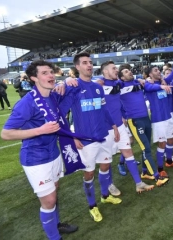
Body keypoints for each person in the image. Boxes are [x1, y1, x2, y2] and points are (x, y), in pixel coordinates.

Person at [1, 60, 78, 240]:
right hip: (35, 158)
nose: (50, 75)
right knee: (49, 200)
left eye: (51, 72)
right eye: (44, 73)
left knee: (55, 192)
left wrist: (66, 82)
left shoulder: (52, 96)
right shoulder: (27, 103)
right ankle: (54, 237)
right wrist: (40, 130)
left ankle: (57, 224)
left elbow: (71, 92)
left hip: (54, 153)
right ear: (34, 78)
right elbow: (6, 134)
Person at [58, 52, 122, 223]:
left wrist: (114, 126)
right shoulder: (72, 87)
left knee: (106, 165)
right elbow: (61, 114)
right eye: (85, 62)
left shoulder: (97, 87)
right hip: (85, 140)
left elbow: (104, 109)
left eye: (90, 62)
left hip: (103, 135)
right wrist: (71, 136)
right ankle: (92, 206)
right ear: (77, 67)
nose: (89, 65)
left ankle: (105, 195)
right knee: (88, 173)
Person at [97, 61, 154, 193]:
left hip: (120, 125)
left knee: (128, 152)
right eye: (113, 68)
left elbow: (129, 83)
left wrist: (140, 80)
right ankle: (109, 185)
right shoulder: (99, 85)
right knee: (107, 160)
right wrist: (67, 81)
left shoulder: (118, 83)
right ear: (105, 71)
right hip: (106, 128)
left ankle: (139, 183)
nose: (116, 70)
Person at [118, 64, 169, 187]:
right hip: (135, 121)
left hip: (146, 118)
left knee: (146, 147)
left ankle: (145, 172)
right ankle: (157, 177)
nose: (129, 72)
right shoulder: (120, 85)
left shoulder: (137, 82)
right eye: (126, 72)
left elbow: (151, 86)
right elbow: (113, 100)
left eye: (129, 70)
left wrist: (159, 84)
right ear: (121, 77)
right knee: (146, 148)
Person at [143, 50, 173, 178]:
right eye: (155, 70)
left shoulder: (164, 81)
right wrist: (160, 87)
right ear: (150, 74)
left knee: (171, 139)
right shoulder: (149, 85)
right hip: (158, 120)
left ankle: (169, 161)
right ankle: (160, 168)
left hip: (168, 117)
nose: (158, 71)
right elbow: (150, 88)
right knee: (162, 143)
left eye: (158, 70)